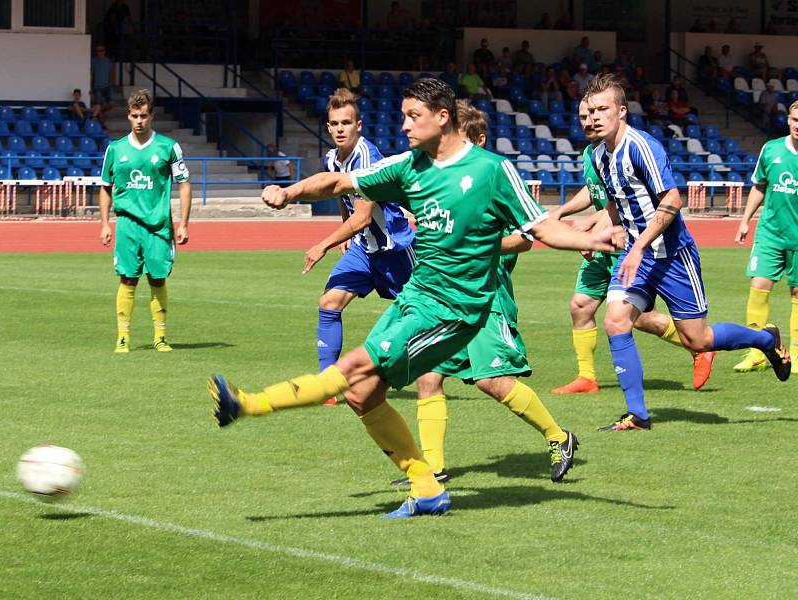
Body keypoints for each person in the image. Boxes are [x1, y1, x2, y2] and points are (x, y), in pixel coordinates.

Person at [209, 79, 614, 518]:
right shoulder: (408, 167)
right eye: (402, 115)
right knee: (362, 394)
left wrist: (588, 239)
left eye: (412, 116)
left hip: (455, 310)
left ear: (443, 117)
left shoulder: (491, 170)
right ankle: (426, 487)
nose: (403, 125)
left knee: (355, 368)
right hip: (416, 298)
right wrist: (288, 193)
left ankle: (248, 403)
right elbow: (339, 182)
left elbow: (540, 228)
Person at [583, 74, 791, 432]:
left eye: (602, 109)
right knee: (616, 321)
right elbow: (618, 205)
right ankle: (638, 415)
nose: (593, 117)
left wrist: (640, 246)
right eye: (588, 112)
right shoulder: (600, 156)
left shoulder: (641, 147)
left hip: (673, 255)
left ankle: (766, 339)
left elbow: (673, 201)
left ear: (622, 111)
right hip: (637, 252)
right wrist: (606, 233)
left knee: (698, 339)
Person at [400, 100, 578, 487]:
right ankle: (433, 468)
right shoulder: (446, 179)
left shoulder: (493, 176)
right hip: (445, 296)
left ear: (477, 138)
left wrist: (475, 243)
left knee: (491, 382)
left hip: (486, 298)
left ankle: (559, 437)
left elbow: (526, 238)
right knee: (428, 375)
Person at [549, 98, 716, 394]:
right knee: (580, 305)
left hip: (627, 242)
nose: (588, 120)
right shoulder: (593, 154)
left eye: (595, 113)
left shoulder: (632, 148)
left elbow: (628, 202)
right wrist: (571, 217)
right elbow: (596, 192)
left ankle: (698, 346)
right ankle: (587, 377)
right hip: (603, 243)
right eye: (583, 115)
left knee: (641, 320)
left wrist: (591, 230)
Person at [307, 89, 415, 405]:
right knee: (329, 302)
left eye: (346, 122)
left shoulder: (368, 158)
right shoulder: (331, 159)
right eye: (334, 123)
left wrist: (325, 243)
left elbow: (364, 216)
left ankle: (471, 356)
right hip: (362, 251)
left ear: (359, 125)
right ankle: (328, 385)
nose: (340, 128)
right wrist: (345, 239)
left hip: (394, 251)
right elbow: (346, 204)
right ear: (328, 127)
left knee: (422, 314)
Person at [99, 89, 191, 353]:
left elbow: (184, 185)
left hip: (158, 226)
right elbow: (105, 187)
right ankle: (123, 337)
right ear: (128, 116)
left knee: (157, 280)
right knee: (127, 279)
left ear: (152, 116)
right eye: (134, 115)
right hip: (127, 224)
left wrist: (184, 223)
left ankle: (160, 337)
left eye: (143, 116)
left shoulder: (168, 147)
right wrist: (105, 223)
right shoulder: (115, 149)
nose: (139, 120)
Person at [732, 101, 798, 374]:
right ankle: (756, 352)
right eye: (795, 119)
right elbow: (760, 186)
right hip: (770, 233)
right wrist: (745, 221)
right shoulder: (771, 150)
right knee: (758, 287)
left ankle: (795, 353)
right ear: (789, 120)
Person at [91, 45, 115, 124]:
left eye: (102, 50)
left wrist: (112, 84)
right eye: (98, 51)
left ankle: (98, 112)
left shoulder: (108, 61)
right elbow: (91, 74)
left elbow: (111, 73)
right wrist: (90, 87)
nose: (100, 52)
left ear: (104, 51)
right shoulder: (93, 61)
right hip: (97, 86)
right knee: (98, 104)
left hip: (107, 86)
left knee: (112, 103)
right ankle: (102, 123)